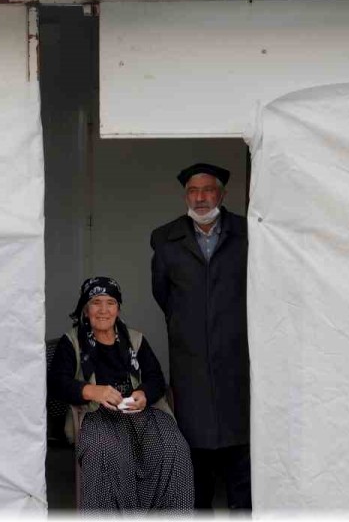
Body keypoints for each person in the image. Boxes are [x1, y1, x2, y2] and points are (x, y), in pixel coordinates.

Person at [150, 163, 251, 511]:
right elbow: (163, 294)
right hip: (190, 358)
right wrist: (190, 325)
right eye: (193, 191)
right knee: (196, 454)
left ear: (222, 194)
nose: (201, 197)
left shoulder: (249, 232)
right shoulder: (165, 239)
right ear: (185, 196)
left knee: (244, 452)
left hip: (239, 357)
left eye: (208, 190)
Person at [47, 276, 194, 512]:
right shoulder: (71, 341)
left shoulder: (135, 339)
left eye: (110, 303)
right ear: (85, 308)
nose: (103, 310)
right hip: (97, 414)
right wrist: (93, 391)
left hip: (140, 412)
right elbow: (56, 383)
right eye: (96, 302)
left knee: (173, 446)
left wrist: (144, 394)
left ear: (118, 308)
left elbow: (156, 378)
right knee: (107, 452)